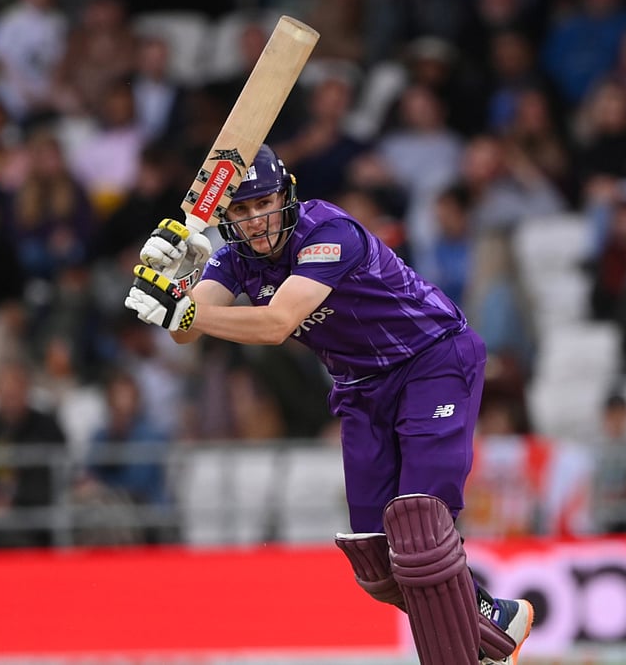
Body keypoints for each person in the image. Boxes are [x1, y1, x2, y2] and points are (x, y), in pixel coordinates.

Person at [123, 145, 532, 665]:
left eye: (264, 203)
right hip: (361, 386)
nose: (255, 220)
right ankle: (493, 618)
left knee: (420, 529)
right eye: (241, 210)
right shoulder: (234, 259)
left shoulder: (329, 232)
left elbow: (275, 323)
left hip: (431, 360)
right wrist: (179, 284)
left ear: (286, 195)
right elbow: (187, 331)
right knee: (378, 564)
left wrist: (183, 311)